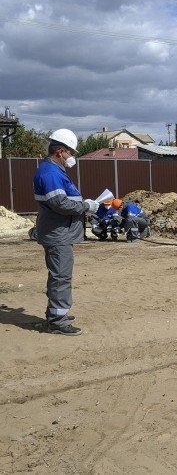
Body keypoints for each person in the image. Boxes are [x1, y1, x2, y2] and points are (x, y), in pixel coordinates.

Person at [33, 129, 99, 335]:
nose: (72, 157)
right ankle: (57, 321)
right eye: (70, 152)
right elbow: (59, 203)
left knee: (59, 275)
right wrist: (86, 206)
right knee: (61, 276)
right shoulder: (51, 172)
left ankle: (56, 313)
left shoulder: (52, 170)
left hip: (59, 231)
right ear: (60, 151)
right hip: (57, 233)